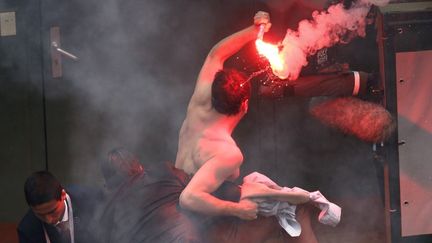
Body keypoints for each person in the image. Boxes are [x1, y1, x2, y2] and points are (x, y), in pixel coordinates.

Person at [174, 10, 319, 242]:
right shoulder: (227, 153)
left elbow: (216, 54)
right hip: (200, 215)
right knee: (297, 210)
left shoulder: (201, 98)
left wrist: (254, 32)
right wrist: (236, 210)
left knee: (280, 201)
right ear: (245, 105)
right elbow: (189, 198)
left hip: (181, 188)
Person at [17, 171, 99, 243]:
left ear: (63, 194)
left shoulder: (91, 201)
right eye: (40, 215)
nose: (49, 220)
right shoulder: (27, 229)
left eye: (52, 211)